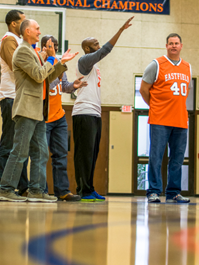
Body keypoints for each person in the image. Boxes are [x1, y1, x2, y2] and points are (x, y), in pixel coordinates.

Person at [0, 20, 78, 202]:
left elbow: (47, 79)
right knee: (20, 151)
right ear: (27, 31)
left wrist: (60, 62)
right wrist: (50, 59)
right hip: (26, 109)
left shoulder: (33, 52)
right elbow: (39, 74)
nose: (40, 32)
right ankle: (5, 189)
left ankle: (37, 191)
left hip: (39, 110)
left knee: (40, 151)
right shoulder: (23, 51)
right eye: (37, 29)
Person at [72, 17, 134, 202]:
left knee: (92, 154)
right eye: (95, 43)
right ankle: (83, 191)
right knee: (83, 155)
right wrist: (120, 30)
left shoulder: (94, 66)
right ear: (88, 48)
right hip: (83, 113)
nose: (99, 45)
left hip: (94, 114)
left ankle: (89, 189)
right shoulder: (84, 61)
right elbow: (106, 50)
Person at [140, 33, 191, 204]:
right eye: (171, 43)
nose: (174, 46)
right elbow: (143, 89)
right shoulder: (156, 64)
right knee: (156, 157)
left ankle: (173, 193)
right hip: (160, 120)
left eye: (176, 43)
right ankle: (153, 192)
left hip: (180, 121)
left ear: (181, 46)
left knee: (177, 159)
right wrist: (154, 106)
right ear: (166, 46)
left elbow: (186, 92)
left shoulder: (187, 67)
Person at [41, 35, 87, 202]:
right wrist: (56, 64)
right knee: (41, 156)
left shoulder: (59, 62)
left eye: (55, 45)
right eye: (49, 45)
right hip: (43, 118)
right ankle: (42, 191)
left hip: (59, 117)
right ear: (43, 48)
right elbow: (47, 84)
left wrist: (73, 86)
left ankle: (62, 191)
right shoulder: (40, 63)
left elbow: (62, 85)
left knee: (60, 155)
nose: (53, 48)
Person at [0, 9, 29, 199]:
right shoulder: (9, 39)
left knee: (20, 145)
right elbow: (18, 65)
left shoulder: (19, 41)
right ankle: (1, 186)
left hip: (19, 97)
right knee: (8, 143)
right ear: (14, 23)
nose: (26, 24)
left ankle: (23, 187)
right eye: (23, 21)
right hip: (10, 96)